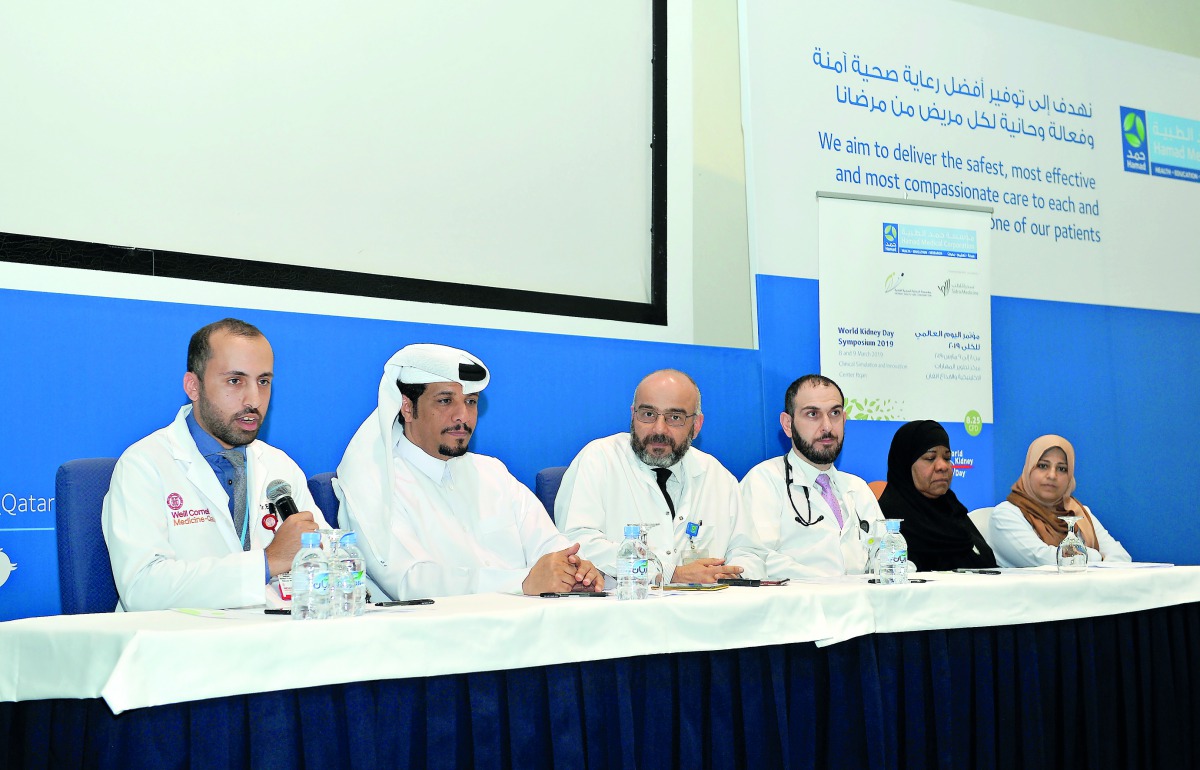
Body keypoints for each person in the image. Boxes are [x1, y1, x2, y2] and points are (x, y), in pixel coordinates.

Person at [335, 343, 602, 600]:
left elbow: (548, 545)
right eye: (445, 401)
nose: (462, 415)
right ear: (407, 407)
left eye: (471, 402)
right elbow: (410, 582)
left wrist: (575, 570)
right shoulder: (373, 483)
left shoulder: (492, 472)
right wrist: (522, 583)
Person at [102, 318, 327, 611]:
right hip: (177, 647)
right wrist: (267, 562)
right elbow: (143, 589)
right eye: (235, 381)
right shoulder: (144, 465)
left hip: (270, 641)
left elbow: (326, 563)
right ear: (193, 387)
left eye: (264, 381)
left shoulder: (279, 466)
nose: (254, 399)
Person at [555, 369, 748, 583]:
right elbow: (576, 543)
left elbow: (746, 550)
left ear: (696, 425)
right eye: (648, 414)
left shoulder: (717, 476)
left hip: (706, 610)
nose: (659, 429)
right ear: (632, 415)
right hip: (621, 609)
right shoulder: (599, 459)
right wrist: (670, 574)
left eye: (675, 417)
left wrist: (733, 574)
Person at [729, 375, 885, 578]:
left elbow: (885, 552)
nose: (827, 426)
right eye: (813, 414)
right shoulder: (764, 481)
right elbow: (757, 558)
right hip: (796, 606)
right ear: (787, 424)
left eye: (835, 413)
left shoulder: (857, 488)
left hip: (861, 605)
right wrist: (832, 585)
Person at [990, 434, 1131, 567]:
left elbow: (1121, 558)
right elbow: (1042, 558)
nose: (1052, 475)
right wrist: (1095, 556)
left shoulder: (1078, 513)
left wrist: (1082, 558)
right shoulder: (1006, 514)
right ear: (1028, 469)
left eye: (1062, 469)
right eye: (1043, 466)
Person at [878, 419, 996, 571]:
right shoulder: (890, 523)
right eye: (930, 458)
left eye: (947, 458)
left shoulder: (952, 509)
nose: (943, 466)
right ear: (905, 465)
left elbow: (987, 562)